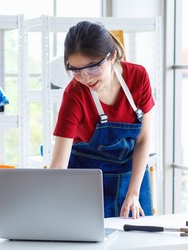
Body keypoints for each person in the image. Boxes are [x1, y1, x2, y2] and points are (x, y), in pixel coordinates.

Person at [49, 21, 155, 219]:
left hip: (131, 179)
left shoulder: (138, 77)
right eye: (76, 70)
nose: (86, 78)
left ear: (112, 55)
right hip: (84, 185)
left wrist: (133, 193)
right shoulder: (74, 94)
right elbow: (58, 165)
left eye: (93, 68)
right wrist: (50, 205)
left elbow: (143, 139)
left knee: (139, 246)